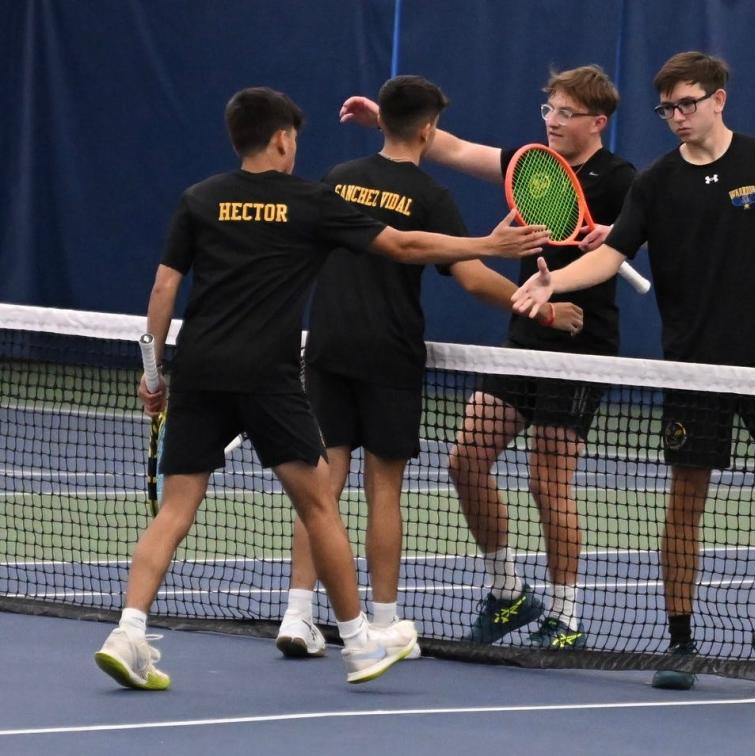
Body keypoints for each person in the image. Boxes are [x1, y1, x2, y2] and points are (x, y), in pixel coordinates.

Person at [93, 86, 549, 690]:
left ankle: (128, 633)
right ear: (282, 139)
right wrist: (488, 244)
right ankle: (362, 644)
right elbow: (404, 245)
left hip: (199, 372)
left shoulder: (199, 199)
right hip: (269, 379)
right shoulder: (311, 203)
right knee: (319, 504)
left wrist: (153, 376)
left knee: (176, 510)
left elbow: (162, 290)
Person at [512, 51, 755, 688]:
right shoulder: (654, 184)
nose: (676, 117)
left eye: (686, 104)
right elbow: (609, 257)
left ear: (719, 99)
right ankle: (680, 642)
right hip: (692, 366)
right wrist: (552, 285)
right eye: (667, 108)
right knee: (685, 500)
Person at [276, 76, 583, 659]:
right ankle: (385, 622)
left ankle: (299, 614)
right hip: (389, 352)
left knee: (322, 484)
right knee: (383, 489)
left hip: (328, 347)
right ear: (427, 129)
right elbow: (469, 277)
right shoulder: (431, 195)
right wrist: (541, 310)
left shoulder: (337, 179)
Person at [339, 65, 634, 649]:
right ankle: (508, 593)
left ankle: (566, 617)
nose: (552, 121)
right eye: (548, 109)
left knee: (548, 481)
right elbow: (453, 147)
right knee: (465, 460)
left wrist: (613, 231)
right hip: (527, 333)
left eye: (565, 113)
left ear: (597, 122)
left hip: (580, 342)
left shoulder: (622, 178)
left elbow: (654, 227)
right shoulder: (534, 166)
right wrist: (386, 120)